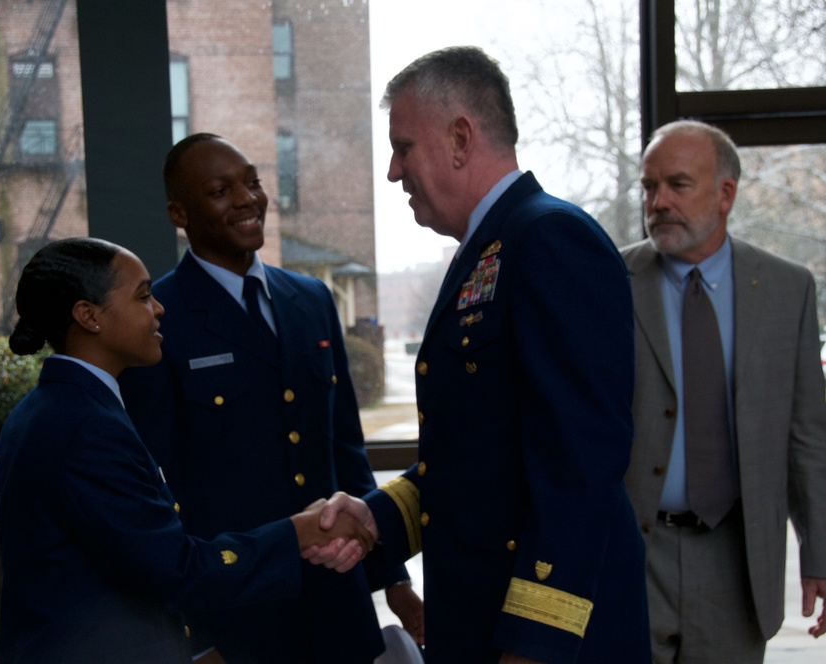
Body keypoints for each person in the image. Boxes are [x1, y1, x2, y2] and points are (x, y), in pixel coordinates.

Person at [314, 46, 651, 663]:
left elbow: (580, 467)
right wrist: (373, 519)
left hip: (538, 640)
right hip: (480, 626)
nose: (393, 171)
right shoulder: (489, 250)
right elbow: (474, 463)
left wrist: (535, 642)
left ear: (461, 138)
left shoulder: (549, 238)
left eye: (402, 146)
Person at [118, 133, 423, 664]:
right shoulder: (158, 317)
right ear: (178, 212)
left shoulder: (309, 300)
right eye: (220, 190)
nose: (246, 199)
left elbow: (344, 451)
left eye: (253, 182)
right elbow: (160, 491)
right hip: (238, 613)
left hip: (337, 598)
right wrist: (196, 634)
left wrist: (394, 581)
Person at [0, 237, 372, 664]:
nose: (158, 308)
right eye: (142, 296)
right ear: (89, 316)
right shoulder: (85, 426)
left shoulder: (49, 408)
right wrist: (299, 532)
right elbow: (175, 570)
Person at [620, 119, 826, 662]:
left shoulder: (787, 290)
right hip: (635, 555)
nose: (658, 201)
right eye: (648, 187)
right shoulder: (611, 283)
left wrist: (819, 553)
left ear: (725, 193)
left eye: (677, 185)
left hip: (737, 559)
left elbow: (808, 436)